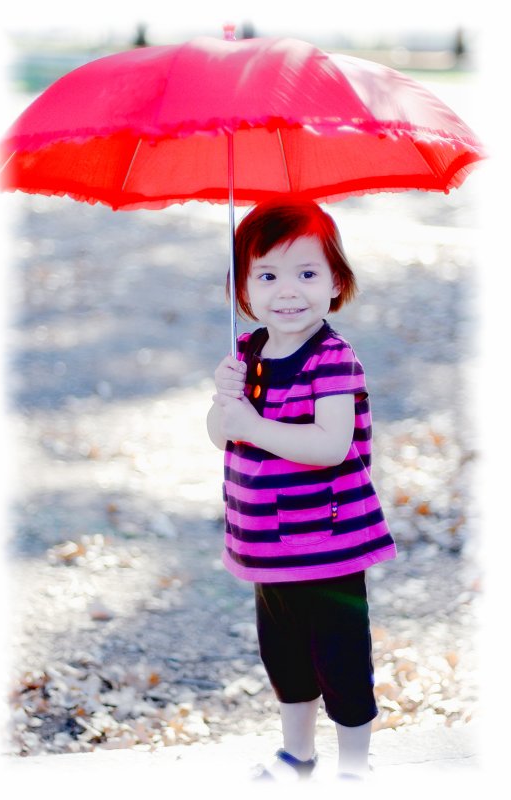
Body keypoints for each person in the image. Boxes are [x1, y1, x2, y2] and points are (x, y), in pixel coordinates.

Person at [206, 195, 397, 782]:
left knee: (339, 658)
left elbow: (330, 445)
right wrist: (224, 401)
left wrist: (254, 424)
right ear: (243, 289)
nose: (287, 291)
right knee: (285, 658)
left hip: (329, 542)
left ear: (336, 281)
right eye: (267, 274)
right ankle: (297, 754)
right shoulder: (247, 353)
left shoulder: (333, 359)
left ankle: (356, 769)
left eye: (307, 273)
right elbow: (221, 437)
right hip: (265, 542)